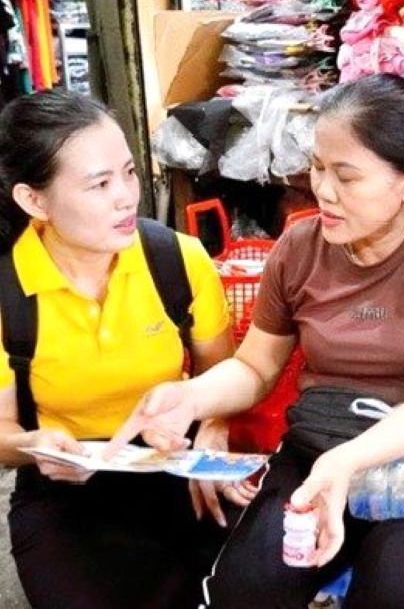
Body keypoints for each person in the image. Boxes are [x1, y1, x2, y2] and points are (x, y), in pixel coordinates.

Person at [106, 72, 404, 608]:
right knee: (242, 592)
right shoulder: (299, 247)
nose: (323, 190)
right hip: (314, 451)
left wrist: (346, 462)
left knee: (395, 593)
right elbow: (255, 368)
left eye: (346, 176)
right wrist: (191, 398)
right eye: (317, 167)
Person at [0, 91, 250, 609]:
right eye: (100, 184)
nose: (126, 197)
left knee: (232, 589)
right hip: (62, 488)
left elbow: (223, 380)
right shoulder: (7, 291)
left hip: (172, 466)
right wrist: (32, 445)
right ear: (34, 201)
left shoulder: (178, 261)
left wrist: (212, 431)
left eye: (130, 173)